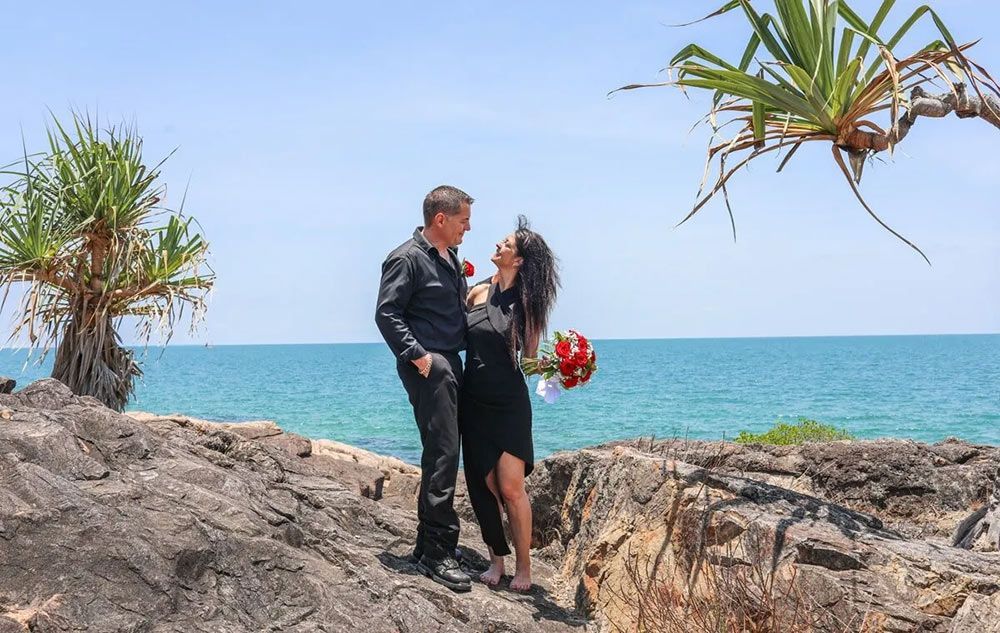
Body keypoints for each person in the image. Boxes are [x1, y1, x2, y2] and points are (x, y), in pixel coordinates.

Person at [375, 185, 474, 592]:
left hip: (450, 363)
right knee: (443, 453)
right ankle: (436, 554)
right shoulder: (407, 258)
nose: (467, 228)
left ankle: (429, 545)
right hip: (429, 366)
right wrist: (421, 358)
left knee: (445, 452)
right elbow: (386, 313)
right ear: (441, 219)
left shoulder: (449, 259)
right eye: (463, 221)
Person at [460, 215, 559, 592]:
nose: (498, 246)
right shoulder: (475, 292)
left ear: (517, 260)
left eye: (506, 244)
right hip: (473, 399)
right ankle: (495, 562)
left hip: (509, 403)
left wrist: (562, 364)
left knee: (511, 487)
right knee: (484, 485)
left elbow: (530, 361)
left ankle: (524, 568)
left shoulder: (528, 304)